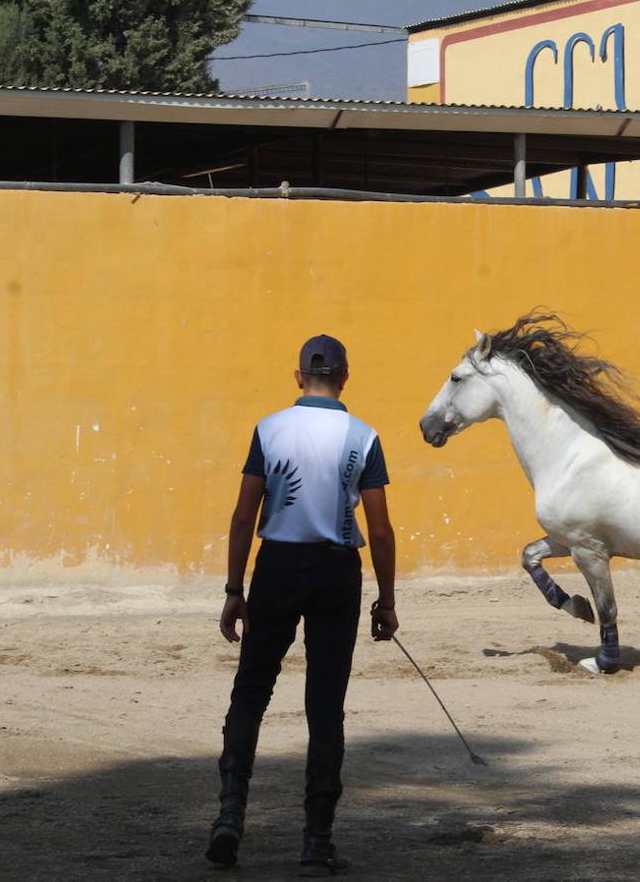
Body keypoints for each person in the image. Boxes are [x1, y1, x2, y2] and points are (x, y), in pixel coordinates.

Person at [206, 333, 399, 876]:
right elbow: (379, 530)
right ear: (345, 376)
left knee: (251, 690)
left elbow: (245, 515)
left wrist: (233, 589)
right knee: (324, 705)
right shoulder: (364, 436)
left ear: (298, 378)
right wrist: (386, 598)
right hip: (337, 572)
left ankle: (229, 816)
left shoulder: (269, 429)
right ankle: (316, 843)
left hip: (278, 567)